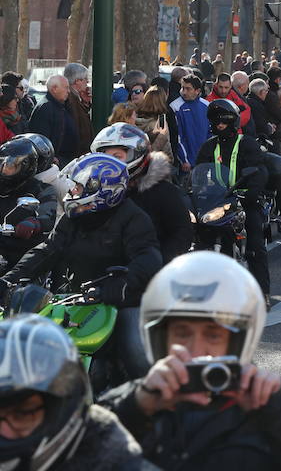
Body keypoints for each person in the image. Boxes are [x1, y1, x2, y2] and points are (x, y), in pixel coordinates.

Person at [98, 252, 281, 471]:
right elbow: (73, 452)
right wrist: (137, 407)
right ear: (158, 338)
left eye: (213, 335)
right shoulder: (136, 399)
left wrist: (280, 416)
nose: (196, 350)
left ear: (239, 341)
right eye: (181, 334)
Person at [3, 153, 163, 379]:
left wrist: (117, 287)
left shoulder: (133, 218)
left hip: (123, 301)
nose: (72, 192)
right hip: (75, 299)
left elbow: (148, 260)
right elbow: (48, 249)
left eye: (78, 187)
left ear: (103, 189)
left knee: (137, 356)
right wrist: (9, 279)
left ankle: (150, 405)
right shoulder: (74, 215)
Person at [0, 315, 153, 470]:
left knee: (135, 352)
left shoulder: (119, 461)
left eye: (21, 415)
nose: (3, 432)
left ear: (63, 411)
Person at [195, 100, 271, 301]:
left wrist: (252, 191)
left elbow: (259, 170)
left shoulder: (247, 144)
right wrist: (194, 190)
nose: (219, 125)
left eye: (223, 121)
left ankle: (262, 293)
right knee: (198, 239)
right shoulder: (208, 146)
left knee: (255, 245)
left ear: (233, 121)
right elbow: (199, 172)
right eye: (216, 121)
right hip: (217, 203)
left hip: (244, 201)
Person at [91, 123, 191, 264]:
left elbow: (181, 233)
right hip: (106, 277)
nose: (111, 163)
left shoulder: (163, 191)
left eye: (117, 156)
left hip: (150, 276)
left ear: (135, 154)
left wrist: (158, 264)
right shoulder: (99, 194)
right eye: (106, 158)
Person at [0, 139, 57, 267]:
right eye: (1, 163)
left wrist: (34, 223)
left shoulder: (42, 189)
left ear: (26, 166)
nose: (3, 169)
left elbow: (49, 215)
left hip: (20, 253)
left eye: (10, 165)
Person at [27, 75, 78, 166]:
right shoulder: (46, 107)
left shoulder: (60, 105)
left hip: (65, 160)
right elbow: (40, 138)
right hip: (54, 163)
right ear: (54, 88)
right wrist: (52, 158)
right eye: (66, 88)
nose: (68, 91)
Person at [168, 75, 210, 175]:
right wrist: (184, 159)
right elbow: (177, 136)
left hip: (204, 161)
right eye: (182, 88)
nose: (184, 92)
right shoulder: (175, 107)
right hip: (186, 164)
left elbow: (210, 132)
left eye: (188, 89)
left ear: (197, 91)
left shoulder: (207, 106)